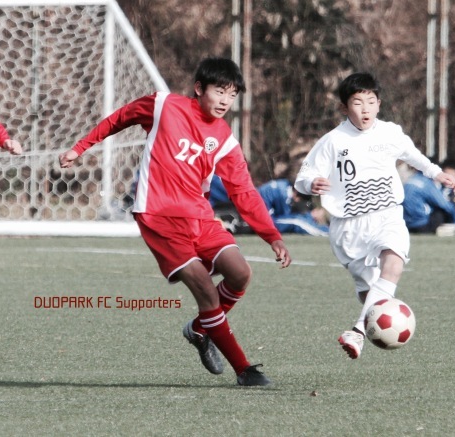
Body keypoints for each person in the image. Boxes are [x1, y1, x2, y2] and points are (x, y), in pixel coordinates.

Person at [59, 57, 292, 386]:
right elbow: (119, 118)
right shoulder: (163, 105)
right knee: (207, 292)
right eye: (219, 91)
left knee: (240, 273)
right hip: (159, 217)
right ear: (199, 89)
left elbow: (244, 191)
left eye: (233, 94)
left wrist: (272, 236)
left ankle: (200, 329)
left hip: (199, 217)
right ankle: (244, 370)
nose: (226, 100)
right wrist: (80, 148)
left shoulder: (224, 137)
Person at [294, 72, 455, 359]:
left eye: (370, 101)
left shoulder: (390, 132)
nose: (365, 109)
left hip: (387, 215)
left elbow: (412, 154)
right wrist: (311, 184)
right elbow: (303, 176)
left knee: (393, 263)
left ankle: (357, 331)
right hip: (348, 228)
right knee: (370, 293)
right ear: (344, 108)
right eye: (357, 102)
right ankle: (365, 324)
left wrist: (436, 173)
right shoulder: (332, 141)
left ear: (379, 104)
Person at [258, 178, 329, 236]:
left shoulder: (284, 185)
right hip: (260, 222)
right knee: (296, 221)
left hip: (262, 218)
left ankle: (328, 230)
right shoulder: (284, 193)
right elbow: (288, 216)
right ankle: (326, 232)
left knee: (297, 219)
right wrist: (310, 215)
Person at [402, 168, 455, 233]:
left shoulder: (410, 180)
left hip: (406, 224)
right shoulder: (426, 182)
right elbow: (444, 204)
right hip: (421, 225)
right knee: (441, 211)